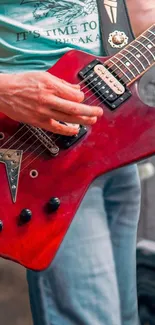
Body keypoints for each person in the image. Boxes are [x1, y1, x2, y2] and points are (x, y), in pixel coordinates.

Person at [0, 0, 154, 324]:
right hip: (35, 147)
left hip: (112, 134)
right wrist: (4, 90)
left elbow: (137, 12)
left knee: (126, 316)